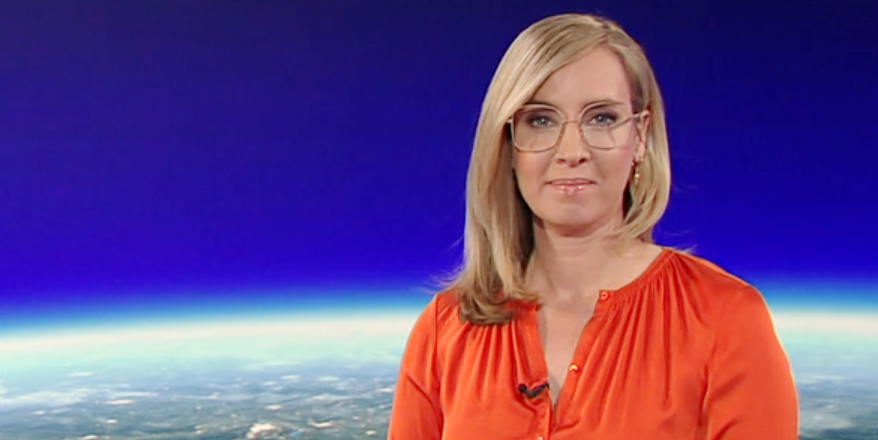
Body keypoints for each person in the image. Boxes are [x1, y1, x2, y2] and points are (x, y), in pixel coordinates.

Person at [387, 13, 798, 440]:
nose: (572, 151)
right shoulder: (445, 327)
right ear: (507, 144)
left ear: (640, 137)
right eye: (540, 120)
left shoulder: (725, 319)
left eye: (601, 118)